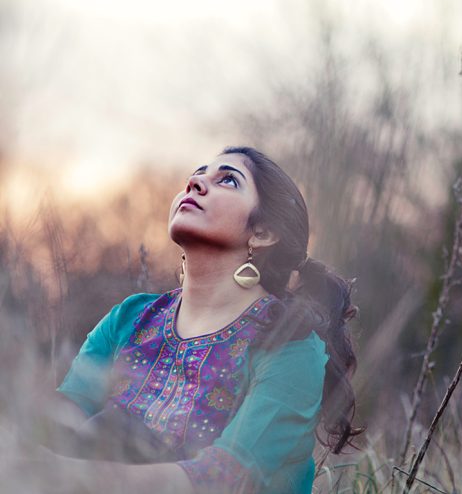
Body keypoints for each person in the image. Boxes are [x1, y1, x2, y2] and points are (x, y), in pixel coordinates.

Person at [16, 146, 360, 494]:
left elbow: (228, 478)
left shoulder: (290, 344)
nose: (195, 183)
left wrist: (71, 475)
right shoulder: (129, 318)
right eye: (196, 175)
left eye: (228, 180)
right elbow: (59, 423)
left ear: (262, 233)